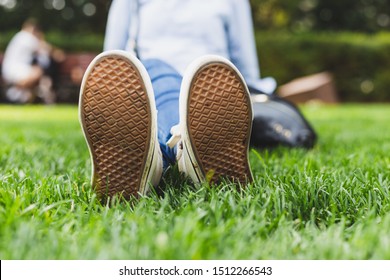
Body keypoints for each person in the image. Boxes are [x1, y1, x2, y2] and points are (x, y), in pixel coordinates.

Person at [79, 0, 277, 200]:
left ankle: (159, 158)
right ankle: (183, 148)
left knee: (207, 81)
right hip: (154, 80)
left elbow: (244, 57)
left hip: (212, 85)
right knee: (165, 86)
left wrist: (244, 96)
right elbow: (114, 63)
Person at [1, 18, 60, 104]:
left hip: (12, 69)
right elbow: (43, 47)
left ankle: (21, 93)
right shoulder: (25, 36)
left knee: (38, 74)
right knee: (38, 72)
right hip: (15, 70)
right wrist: (57, 53)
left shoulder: (19, 37)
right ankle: (15, 92)